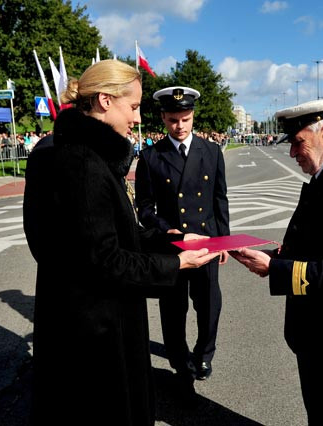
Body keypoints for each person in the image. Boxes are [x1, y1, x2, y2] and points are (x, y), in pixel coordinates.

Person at [23, 60, 219, 425]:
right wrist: (176, 263)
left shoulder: (74, 152)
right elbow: (106, 259)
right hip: (96, 331)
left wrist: (169, 237)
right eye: (133, 106)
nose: (138, 117)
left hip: (81, 316)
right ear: (104, 101)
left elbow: (111, 231)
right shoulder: (83, 164)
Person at [231, 98, 323, 426]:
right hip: (315, 326)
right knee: (319, 412)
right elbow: (312, 248)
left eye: (298, 142)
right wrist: (270, 257)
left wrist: (274, 269)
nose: (292, 152)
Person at [135, 86, 230, 387]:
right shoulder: (151, 156)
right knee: (173, 309)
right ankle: (179, 362)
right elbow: (145, 207)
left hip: (206, 242)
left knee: (209, 304)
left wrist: (224, 240)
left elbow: (219, 200)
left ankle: (204, 353)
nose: (180, 126)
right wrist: (165, 229)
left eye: (185, 119)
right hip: (172, 247)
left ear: (193, 116)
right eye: (173, 119)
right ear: (163, 117)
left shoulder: (211, 151)